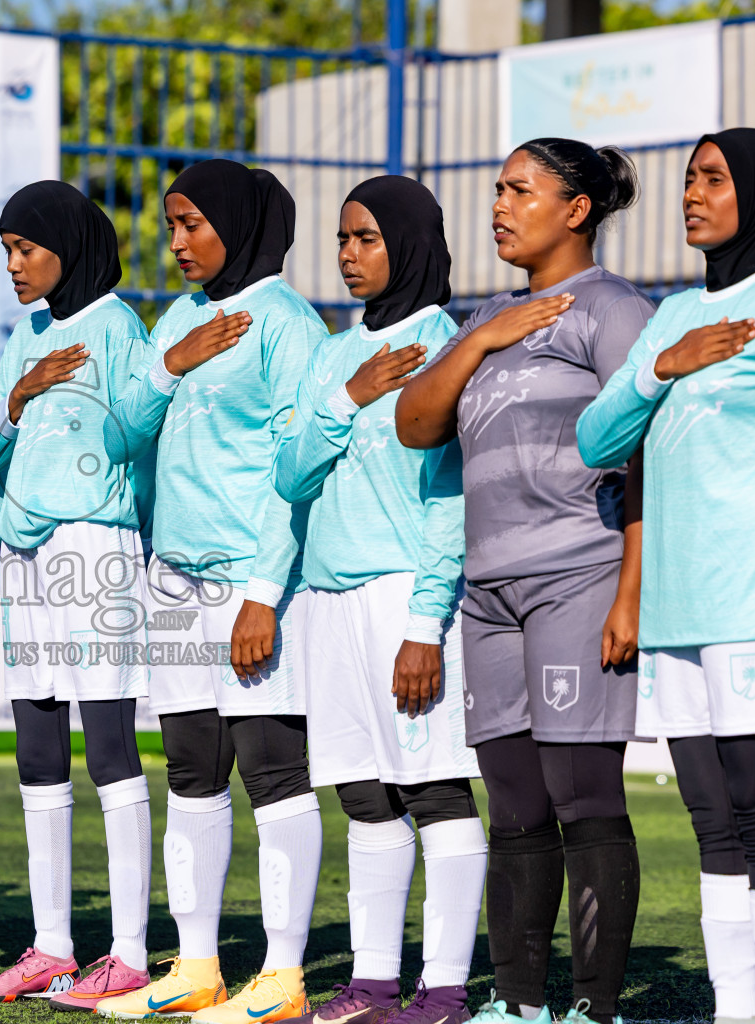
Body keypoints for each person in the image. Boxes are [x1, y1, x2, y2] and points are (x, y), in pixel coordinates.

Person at [578, 127, 755, 1024]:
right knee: (709, 821)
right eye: (689, 179)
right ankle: (736, 1010)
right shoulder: (669, 318)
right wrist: (662, 367)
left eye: (714, 179)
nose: (692, 194)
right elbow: (597, 441)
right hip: (676, 615)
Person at [393, 138, 652, 1024]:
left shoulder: (613, 310)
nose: (499, 205)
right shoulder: (487, 318)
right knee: (512, 801)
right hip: (488, 592)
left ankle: (592, 1005)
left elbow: (649, 448)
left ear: (576, 209)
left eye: (519, 190)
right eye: (497, 190)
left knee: (583, 793)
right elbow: (415, 422)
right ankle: (518, 1001)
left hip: (578, 574)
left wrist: (631, 589)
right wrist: (485, 340)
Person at [96, 159, 324, 1024]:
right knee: (192, 770)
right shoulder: (177, 322)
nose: (180, 241)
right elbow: (119, 435)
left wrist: (265, 590)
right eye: (172, 225)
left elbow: (296, 476)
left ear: (241, 222)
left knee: (272, 770)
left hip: (250, 584)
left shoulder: (287, 326)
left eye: (194, 223)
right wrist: (169, 365)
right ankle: (198, 967)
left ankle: (284, 975)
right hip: (174, 582)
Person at [274, 176, 484, 1024]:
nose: (349, 255)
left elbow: (449, 499)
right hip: (327, 596)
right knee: (363, 791)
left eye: (366, 238)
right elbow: (289, 472)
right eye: (342, 239)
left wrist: (427, 622)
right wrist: (346, 397)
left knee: (433, 788)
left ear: (408, 242)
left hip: (407, 595)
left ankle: (446, 985)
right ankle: (370, 981)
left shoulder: (448, 345)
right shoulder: (332, 352)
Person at [0, 180, 154, 1008]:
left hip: (94, 548)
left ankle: (132, 953)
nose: (12, 265)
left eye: (25, 248)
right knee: (37, 752)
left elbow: (139, 434)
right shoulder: (26, 336)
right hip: (24, 553)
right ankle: (51, 946)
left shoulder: (117, 327)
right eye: (4, 250)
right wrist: (16, 396)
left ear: (68, 248)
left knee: (108, 746)